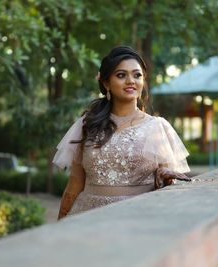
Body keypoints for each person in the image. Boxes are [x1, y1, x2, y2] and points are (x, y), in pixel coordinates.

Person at [53, 46, 191, 219]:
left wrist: (165, 176)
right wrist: (60, 225)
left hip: (137, 218)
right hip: (87, 219)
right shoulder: (87, 125)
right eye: (121, 75)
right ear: (106, 83)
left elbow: (169, 183)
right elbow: (74, 184)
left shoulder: (157, 127)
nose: (130, 81)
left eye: (137, 75)